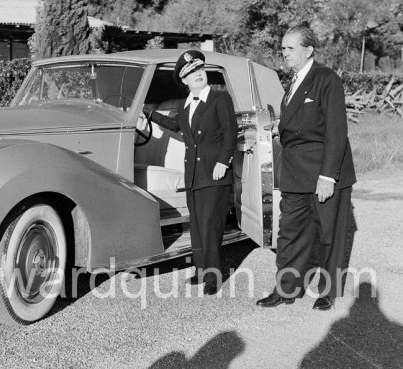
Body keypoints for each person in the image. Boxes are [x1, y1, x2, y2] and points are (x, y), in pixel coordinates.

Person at [256, 25, 356, 310]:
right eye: (283, 48)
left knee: (328, 234)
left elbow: (336, 131)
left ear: (308, 50)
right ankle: (285, 289)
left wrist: (328, 176)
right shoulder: (293, 81)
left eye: (290, 48)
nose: (284, 53)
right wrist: (280, 127)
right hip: (295, 172)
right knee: (290, 233)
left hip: (323, 172)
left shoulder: (326, 78)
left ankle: (328, 291)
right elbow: (301, 122)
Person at [138, 50, 238, 295]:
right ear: (184, 80)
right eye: (192, 73)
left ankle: (214, 276)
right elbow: (176, 126)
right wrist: (150, 114)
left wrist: (223, 163)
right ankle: (201, 270)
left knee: (211, 224)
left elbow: (230, 133)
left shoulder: (220, 99)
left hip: (215, 173)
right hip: (193, 174)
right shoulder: (185, 105)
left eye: (200, 70)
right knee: (195, 224)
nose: (198, 74)